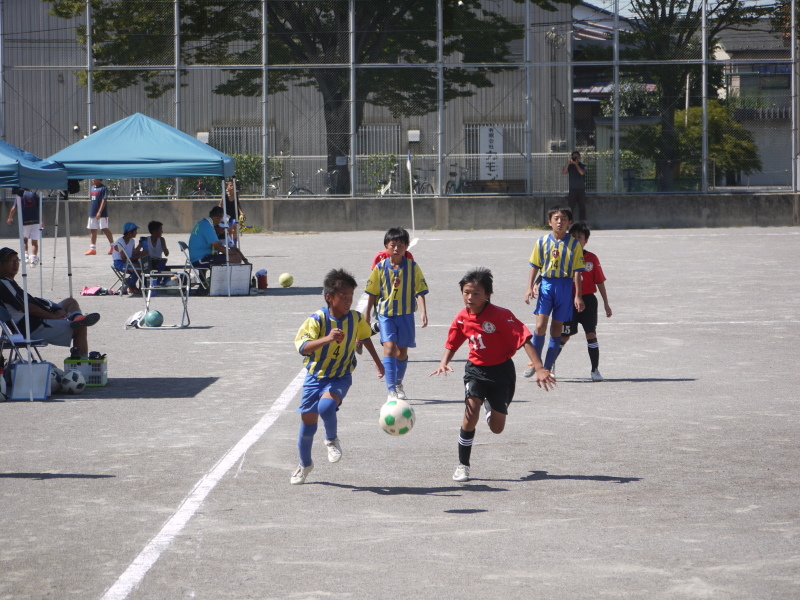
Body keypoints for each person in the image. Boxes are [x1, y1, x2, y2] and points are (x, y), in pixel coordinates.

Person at [430, 268, 555, 483]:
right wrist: (443, 362)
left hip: (501, 372)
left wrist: (540, 367)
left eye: (476, 293)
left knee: (497, 429)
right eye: (466, 292)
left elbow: (524, 339)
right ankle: (463, 465)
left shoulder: (501, 315)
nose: (470, 297)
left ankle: (490, 406)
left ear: (488, 295)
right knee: (470, 414)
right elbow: (453, 341)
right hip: (475, 371)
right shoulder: (462, 317)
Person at [291, 268, 385, 485]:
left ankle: (331, 439)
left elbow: (365, 337)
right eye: (343, 297)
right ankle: (305, 465)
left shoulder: (355, 319)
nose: (348, 301)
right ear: (329, 297)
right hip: (315, 377)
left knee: (325, 407)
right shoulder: (317, 320)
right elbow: (303, 347)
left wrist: (378, 362)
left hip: (340, 376)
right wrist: (327, 339)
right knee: (307, 424)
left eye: (350, 297)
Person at [365, 227, 428, 401]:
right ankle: (391, 390)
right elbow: (371, 293)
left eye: (401, 245)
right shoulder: (379, 268)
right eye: (393, 245)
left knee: (402, 352)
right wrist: (367, 314)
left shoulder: (413, 267)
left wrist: (423, 311)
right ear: (386, 246)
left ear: (407, 247)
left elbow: (420, 291)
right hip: (386, 315)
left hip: (406, 314)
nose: (396, 248)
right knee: (390, 348)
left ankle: (399, 383)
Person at [0, 247, 100, 356]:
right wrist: (52, 315)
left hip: (34, 321)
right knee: (80, 329)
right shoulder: (4, 283)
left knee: (70, 302)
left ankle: (77, 318)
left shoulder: (9, 282)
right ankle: (83, 366)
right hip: (31, 327)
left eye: (17, 260)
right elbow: (27, 307)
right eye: (10, 261)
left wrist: (52, 309)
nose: (15, 264)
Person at [523, 206, 585, 375]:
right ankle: (536, 363)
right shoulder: (542, 242)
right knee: (540, 325)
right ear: (549, 221)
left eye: (563, 219)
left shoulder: (574, 244)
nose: (560, 222)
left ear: (569, 223)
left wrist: (578, 296)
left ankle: (548, 367)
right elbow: (535, 266)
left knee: (556, 328)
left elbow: (578, 271)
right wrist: (529, 287)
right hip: (546, 285)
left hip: (564, 286)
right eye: (556, 218)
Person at [551, 221, 612, 381]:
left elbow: (599, 281)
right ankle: (549, 366)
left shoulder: (591, 258)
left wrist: (606, 303)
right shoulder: (563, 256)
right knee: (563, 336)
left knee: (591, 334)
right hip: (568, 301)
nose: (577, 240)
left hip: (588, 301)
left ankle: (595, 370)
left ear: (586, 240)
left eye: (581, 237)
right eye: (574, 237)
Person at [7, 188, 43, 266]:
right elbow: (39, 209)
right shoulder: (35, 195)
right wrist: (42, 221)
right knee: (34, 242)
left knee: (24, 240)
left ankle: (25, 256)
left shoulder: (20, 196)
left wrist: (10, 217)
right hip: (36, 221)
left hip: (24, 221)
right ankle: (33, 260)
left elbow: (14, 208)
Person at [112, 222, 147, 295]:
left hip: (128, 261)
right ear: (130, 232)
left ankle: (136, 285)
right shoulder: (120, 242)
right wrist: (139, 256)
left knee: (144, 265)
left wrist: (140, 246)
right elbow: (124, 259)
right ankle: (131, 285)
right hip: (120, 262)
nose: (136, 233)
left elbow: (133, 253)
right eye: (135, 231)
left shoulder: (132, 241)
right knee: (137, 268)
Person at [86, 178, 114, 255]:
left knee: (104, 228)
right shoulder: (92, 188)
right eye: (92, 178)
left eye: (95, 178)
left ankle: (113, 247)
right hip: (92, 212)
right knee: (93, 230)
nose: (93, 179)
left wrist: (99, 212)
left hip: (102, 213)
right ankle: (92, 249)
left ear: (100, 179)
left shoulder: (103, 188)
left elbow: (104, 200)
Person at [562, 151, 587, 222]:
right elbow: (563, 172)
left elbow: (582, 173)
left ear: (579, 158)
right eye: (574, 157)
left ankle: (583, 222)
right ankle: (569, 222)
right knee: (570, 207)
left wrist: (576, 164)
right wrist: (568, 163)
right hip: (572, 189)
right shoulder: (570, 167)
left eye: (577, 157)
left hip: (581, 189)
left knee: (582, 207)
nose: (575, 158)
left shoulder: (582, 166)